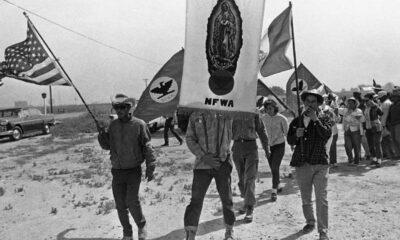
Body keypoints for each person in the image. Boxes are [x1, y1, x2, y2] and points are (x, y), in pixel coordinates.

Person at [98, 93, 156, 240]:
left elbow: (148, 148)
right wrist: (101, 134)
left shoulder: (139, 124)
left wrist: (151, 167)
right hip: (117, 171)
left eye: (122, 107)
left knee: (131, 200)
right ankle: (127, 232)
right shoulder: (113, 125)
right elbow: (106, 146)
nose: (119, 110)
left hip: (133, 170)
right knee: (120, 204)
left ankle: (141, 226)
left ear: (129, 108)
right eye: (116, 107)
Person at [287, 89, 333, 240]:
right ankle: (310, 222)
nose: (310, 104)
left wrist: (315, 120)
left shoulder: (326, 118)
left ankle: (323, 231)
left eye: (314, 102)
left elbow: (326, 134)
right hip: (302, 163)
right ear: (304, 103)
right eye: (308, 101)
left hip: (320, 162)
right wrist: (296, 136)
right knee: (306, 197)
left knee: (321, 198)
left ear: (319, 104)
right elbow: (290, 140)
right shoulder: (297, 121)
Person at [184, 110, 236, 240]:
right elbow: (190, 138)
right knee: (196, 200)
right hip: (202, 165)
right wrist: (203, 156)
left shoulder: (227, 112)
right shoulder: (195, 115)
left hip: (222, 163)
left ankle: (229, 230)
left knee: (227, 199)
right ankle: (191, 233)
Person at [232, 110, 270, 222]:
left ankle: (249, 208)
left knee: (250, 178)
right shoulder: (232, 110)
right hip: (237, 146)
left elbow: (262, 131)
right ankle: (246, 201)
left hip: (251, 146)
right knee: (242, 178)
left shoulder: (254, 112)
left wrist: (266, 149)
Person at [261, 99, 288, 201]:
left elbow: (286, 133)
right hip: (268, 147)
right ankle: (278, 184)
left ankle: (273, 191)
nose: (269, 110)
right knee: (272, 168)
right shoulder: (263, 118)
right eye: (267, 109)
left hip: (279, 145)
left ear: (275, 107)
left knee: (275, 167)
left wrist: (292, 144)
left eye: (270, 108)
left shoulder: (282, 119)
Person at [339, 97, 365, 165]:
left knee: (357, 146)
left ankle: (357, 161)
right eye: (348, 103)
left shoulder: (358, 111)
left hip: (356, 131)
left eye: (351, 103)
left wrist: (350, 116)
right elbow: (336, 109)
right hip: (347, 130)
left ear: (355, 104)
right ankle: (350, 159)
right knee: (347, 146)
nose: (349, 105)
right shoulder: (345, 110)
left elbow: (359, 120)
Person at [363, 92, 384, 167]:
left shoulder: (375, 106)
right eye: (364, 100)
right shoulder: (366, 107)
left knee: (377, 143)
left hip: (376, 126)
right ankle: (374, 158)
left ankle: (379, 160)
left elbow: (381, 113)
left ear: (371, 99)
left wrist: (375, 106)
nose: (365, 102)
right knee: (370, 144)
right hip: (368, 127)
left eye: (367, 100)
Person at [353, 90, 371, 161]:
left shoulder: (363, 102)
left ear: (359, 94)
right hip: (357, 124)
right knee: (357, 141)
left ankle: (368, 154)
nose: (355, 96)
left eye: (356, 94)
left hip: (364, 123)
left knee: (364, 141)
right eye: (354, 94)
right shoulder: (355, 102)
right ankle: (359, 155)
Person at [378, 91, 396, 159]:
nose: (379, 99)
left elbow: (384, 116)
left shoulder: (386, 103)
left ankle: (391, 154)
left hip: (385, 124)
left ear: (384, 97)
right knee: (387, 140)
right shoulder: (386, 103)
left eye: (380, 98)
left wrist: (383, 124)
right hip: (387, 124)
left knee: (388, 140)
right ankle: (389, 154)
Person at [387, 86, 400, 159]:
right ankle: (398, 154)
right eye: (393, 97)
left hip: (398, 124)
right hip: (392, 124)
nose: (393, 98)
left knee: (398, 139)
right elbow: (389, 115)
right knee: (394, 139)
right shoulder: (392, 105)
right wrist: (388, 122)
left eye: (395, 97)